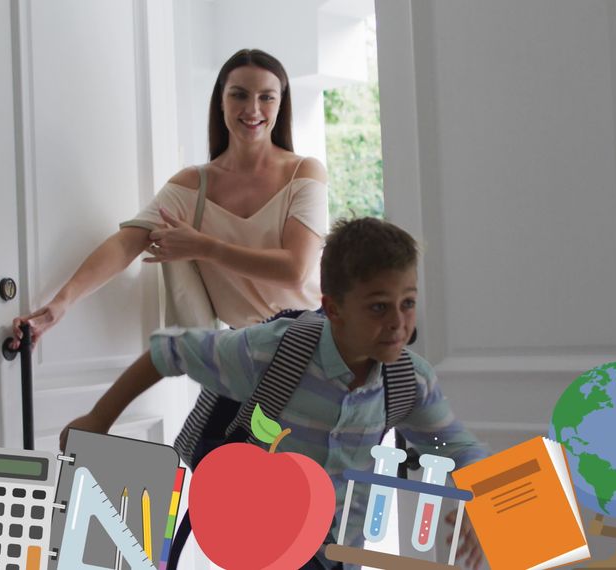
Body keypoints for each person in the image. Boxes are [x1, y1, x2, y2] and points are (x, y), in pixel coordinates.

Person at [61, 218, 488, 569]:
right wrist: (99, 419)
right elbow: (168, 352)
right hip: (262, 543)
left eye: (408, 303)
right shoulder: (275, 351)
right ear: (334, 308)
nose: (398, 322)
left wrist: (477, 498)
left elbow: (459, 447)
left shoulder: (407, 379)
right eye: (379, 306)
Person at [11, 48, 327, 348]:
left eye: (266, 97)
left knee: (253, 409)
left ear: (280, 104)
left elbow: (295, 270)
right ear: (221, 101)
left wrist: (205, 247)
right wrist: (61, 303)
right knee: (238, 409)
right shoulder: (193, 185)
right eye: (239, 94)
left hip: (309, 347)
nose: (253, 109)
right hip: (245, 354)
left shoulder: (304, 172)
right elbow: (125, 244)